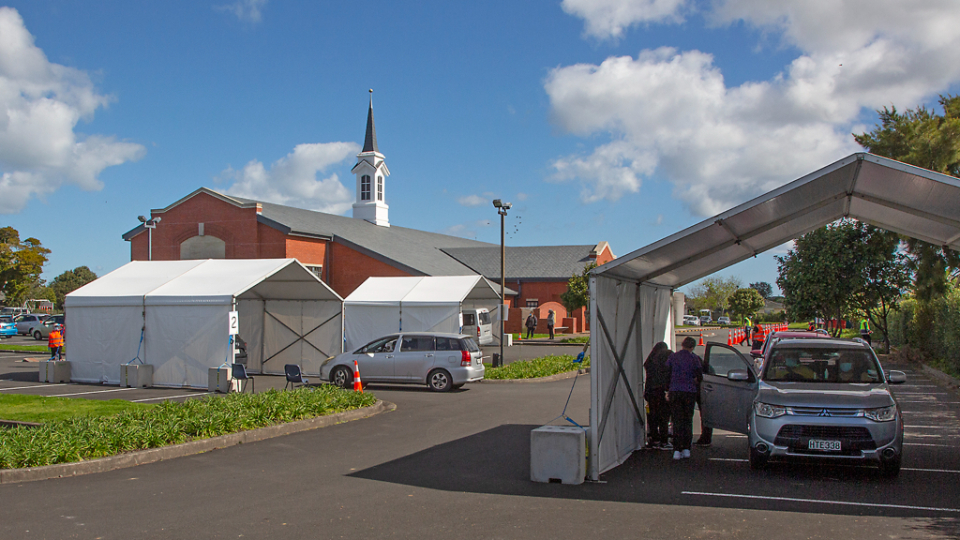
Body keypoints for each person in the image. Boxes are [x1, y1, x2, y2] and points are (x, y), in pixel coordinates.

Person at [666, 336, 703, 460]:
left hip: (675, 390)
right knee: (687, 419)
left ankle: (676, 449)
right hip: (689, 391)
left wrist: (668, 390)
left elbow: (666, 373)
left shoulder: (673, 357)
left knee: (676, 420)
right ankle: (686, 448)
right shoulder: (694, 358)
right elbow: (700, 376)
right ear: (692, 347)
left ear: (682, 345)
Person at [643, 342, 673, 450]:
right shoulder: (666, 360)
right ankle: (664, 441)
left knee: (652, 416)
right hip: (662, 392)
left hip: (650, 392)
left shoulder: (650, 361)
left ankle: (654, 439)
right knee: (664, 417)